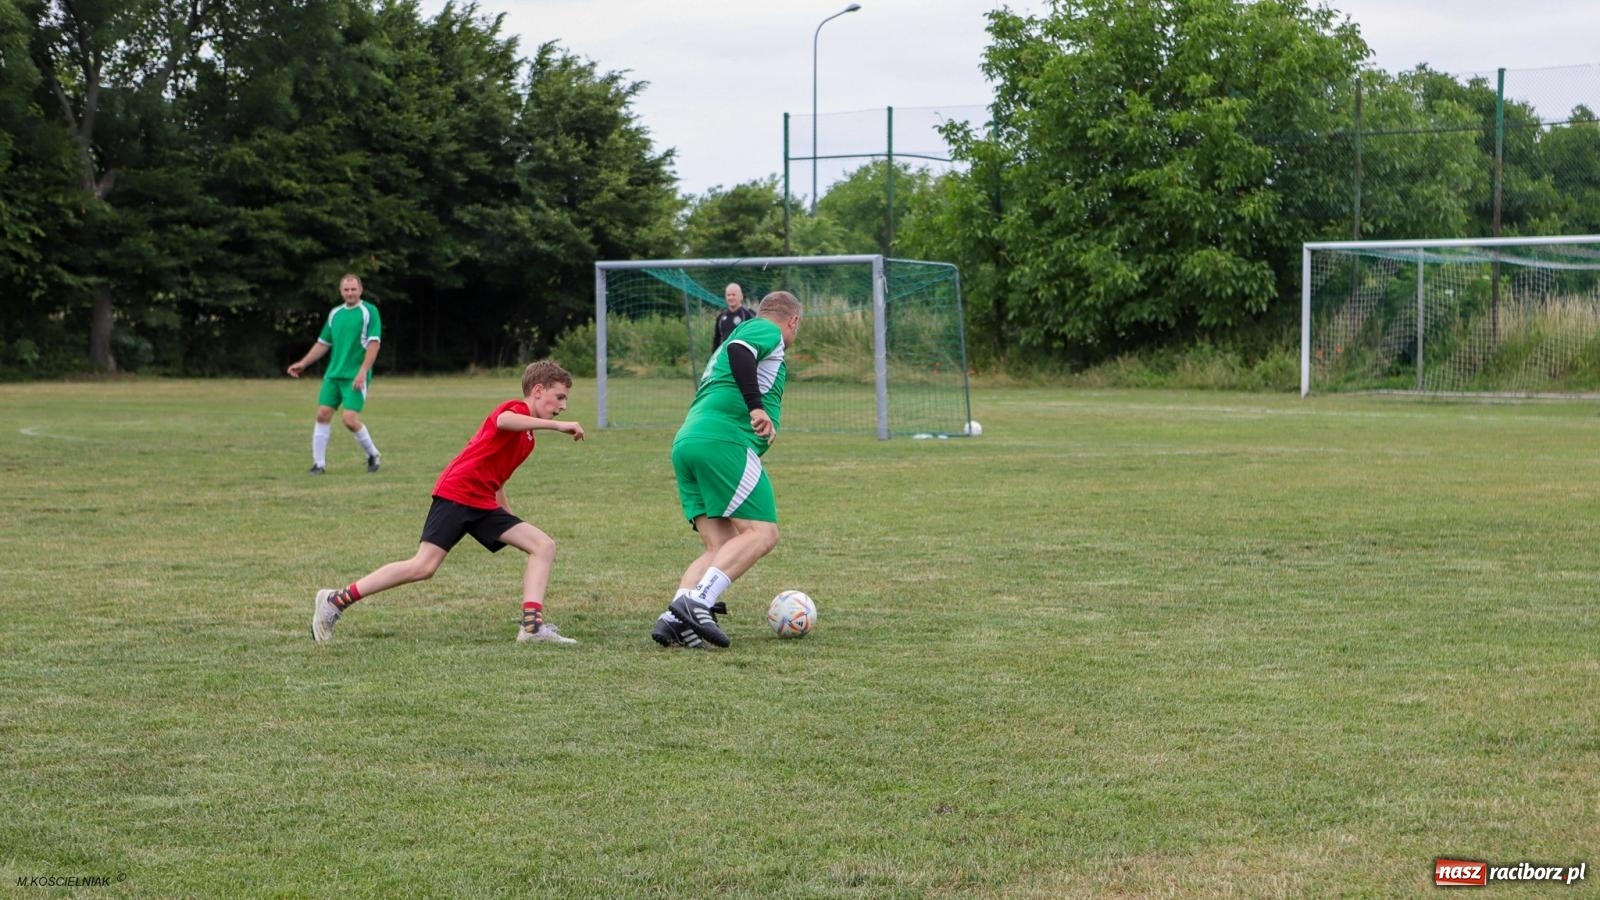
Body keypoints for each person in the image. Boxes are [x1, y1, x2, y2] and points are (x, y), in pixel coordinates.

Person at [310, 360, 586, 645]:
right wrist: (556, 425)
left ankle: (531, 628)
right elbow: (505, 421)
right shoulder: (514, 409)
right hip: (457, 493)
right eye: (560, 397)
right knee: (423, 567)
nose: (563, 406)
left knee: (542, 546)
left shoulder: (528, 440)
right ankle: (336, 600)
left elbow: (497, 480)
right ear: (538, 390)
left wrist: (511, 521)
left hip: (482, 501)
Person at [652, 291, 802, 649]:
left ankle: (673, 620)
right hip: (724, 442)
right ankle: (697, 601)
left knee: (719, 545)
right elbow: (740, 353)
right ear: (793, 320)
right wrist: (756, 407)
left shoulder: (737, 336)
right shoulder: (766, 330)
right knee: (763, 533)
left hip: (689, 440)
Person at [286, 273, 384, 474]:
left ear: (360, 290)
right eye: (346, 289)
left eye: (353, 289)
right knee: (322, 414)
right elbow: (323, 343)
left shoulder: (369, 312)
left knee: (349, 419)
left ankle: (373, 454)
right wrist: (303, 363)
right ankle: (319, 464)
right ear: (341, 292)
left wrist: (363, 372)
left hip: (355, 376)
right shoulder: (335, 314)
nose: (350, 293)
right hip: (333, 375)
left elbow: (374, 343)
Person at [709, 282, 758, 356]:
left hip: (745, 357)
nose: (730, 298)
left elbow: (756, 336)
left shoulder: (750, 315)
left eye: (733, 295)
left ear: (741, 296)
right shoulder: (721, 318)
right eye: (728, 295)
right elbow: (717, 339)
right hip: (725, 357)